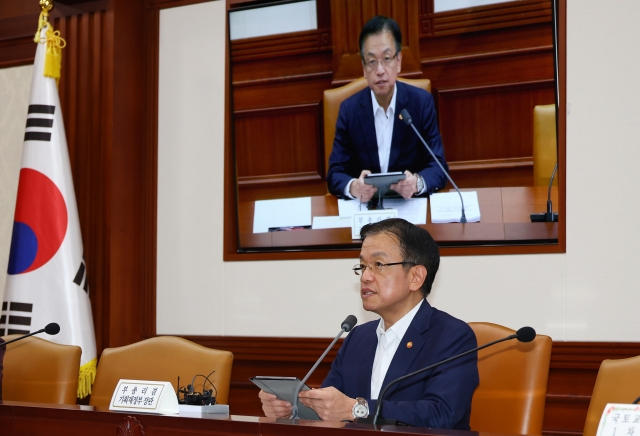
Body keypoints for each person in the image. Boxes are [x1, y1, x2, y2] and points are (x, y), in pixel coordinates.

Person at [259, 219, 479, 429]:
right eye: (362, 266)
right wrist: (291, 409)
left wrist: (356, 409)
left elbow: (442, 414)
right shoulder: (358, 337)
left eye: (378, 264)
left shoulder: (452, 336)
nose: (365, 276)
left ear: (416, 277)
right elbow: (329, 410)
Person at [326, 16, 448, 202]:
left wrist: (417, 183)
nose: (380, 70)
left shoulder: (421, 103)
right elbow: (335, 173)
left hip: (408, 208)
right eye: (372, 61)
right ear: (364, 68)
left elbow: (438, 166)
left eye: (387, 58)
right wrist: (354, 187)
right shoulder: (349, 111)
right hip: (367, 210)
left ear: (398, 61)